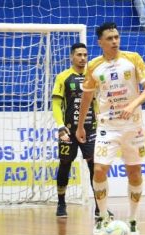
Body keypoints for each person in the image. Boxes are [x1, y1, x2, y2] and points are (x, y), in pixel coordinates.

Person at [75, 22, 145, 235]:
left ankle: (133, 220)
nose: (115, 41)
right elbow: (86, 97)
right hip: (107, 127)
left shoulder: (133, 58)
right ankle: (102, 217)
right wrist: (81, 125)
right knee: (99, 170)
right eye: (110, 38)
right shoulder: (93, 66)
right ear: (100, 42)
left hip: (133, 127)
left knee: (134, 173)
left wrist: (131, 104)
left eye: (117, 37)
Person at [52, 43, 113, 219]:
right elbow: (56, 104)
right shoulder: (63, 77)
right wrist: (60, 126)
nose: (82, 58)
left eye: (85, 55)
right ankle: (61, 203)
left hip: (91, 130)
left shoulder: (93, 76)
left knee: (96, 167)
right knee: (65, 165)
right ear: (72, 57)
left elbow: (98, 102)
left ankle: (99, 207)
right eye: (79, 55)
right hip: (69, 131)